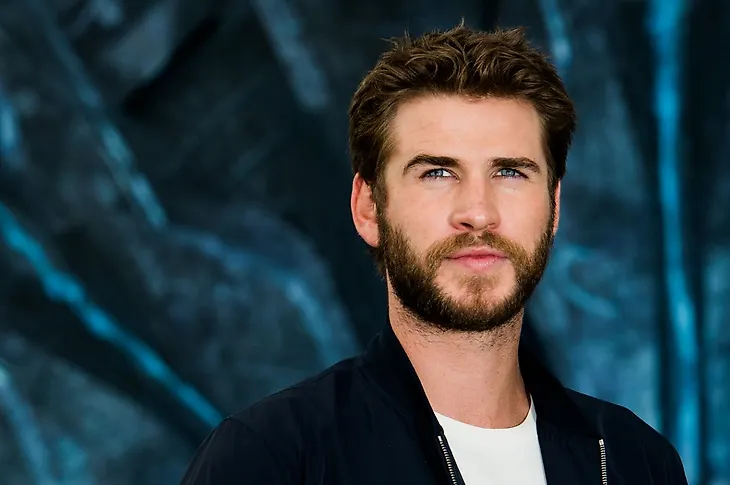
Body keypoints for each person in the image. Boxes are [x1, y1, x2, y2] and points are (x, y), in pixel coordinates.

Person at [179, 23, 688, 484]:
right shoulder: (272, 457)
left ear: (553, 208)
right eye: (438, 173)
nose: (478, 213)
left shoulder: (636, 460)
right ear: (369, 208)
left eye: (510, 172)